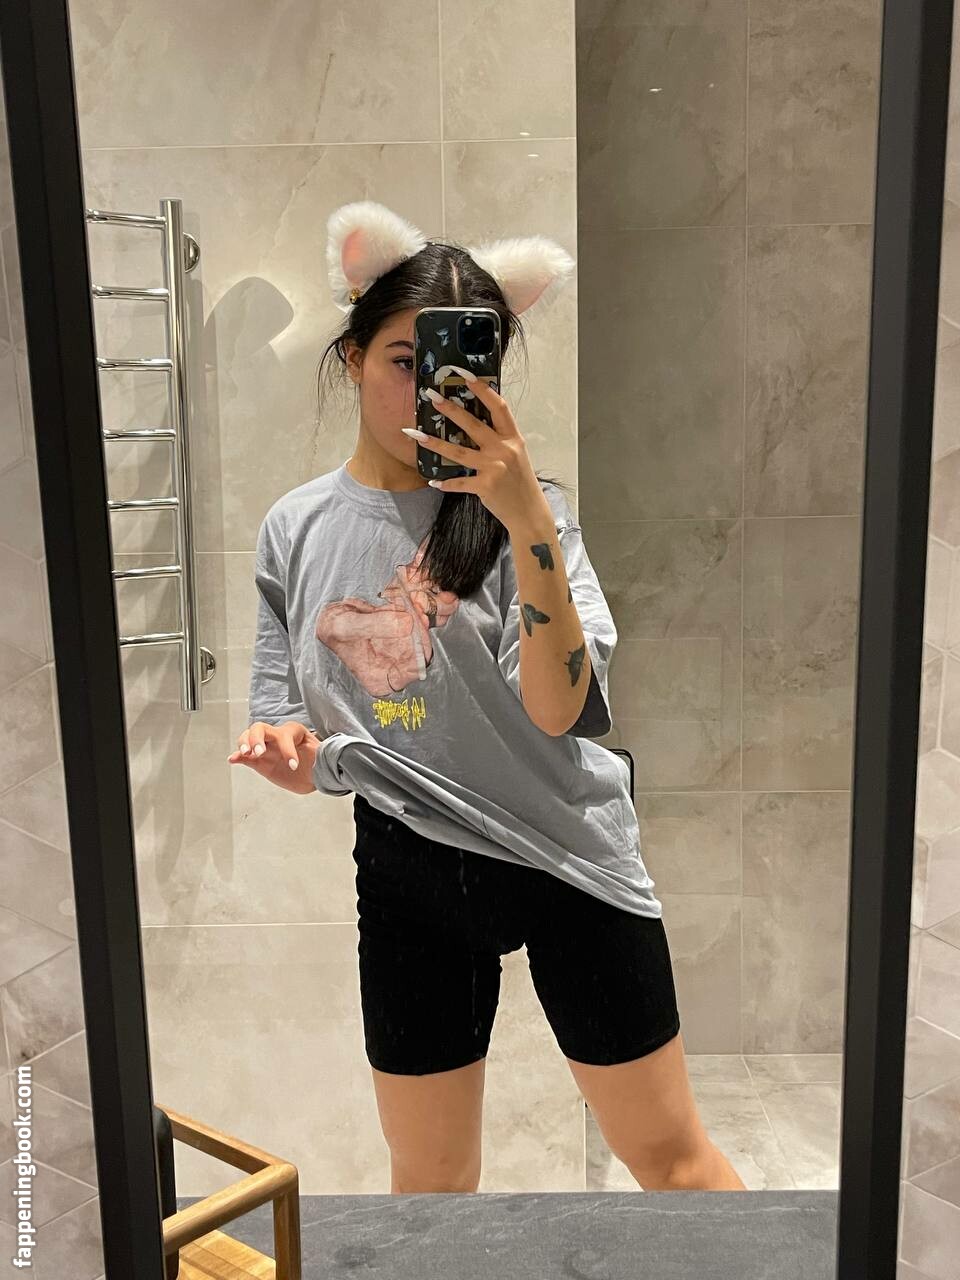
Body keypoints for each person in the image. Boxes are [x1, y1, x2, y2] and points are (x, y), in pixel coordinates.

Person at [227, 201, 746, 1194]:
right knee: (429, 1181)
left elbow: (558, 711)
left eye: (468, 367)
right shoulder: (294, 529)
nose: (430, 391)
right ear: (351, 357)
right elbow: (288, 728)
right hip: (405, 867)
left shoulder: (530, 516)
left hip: (564, 855)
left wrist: (528, 518)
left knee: (671, 1160)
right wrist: (288, 757)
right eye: (402, 360)